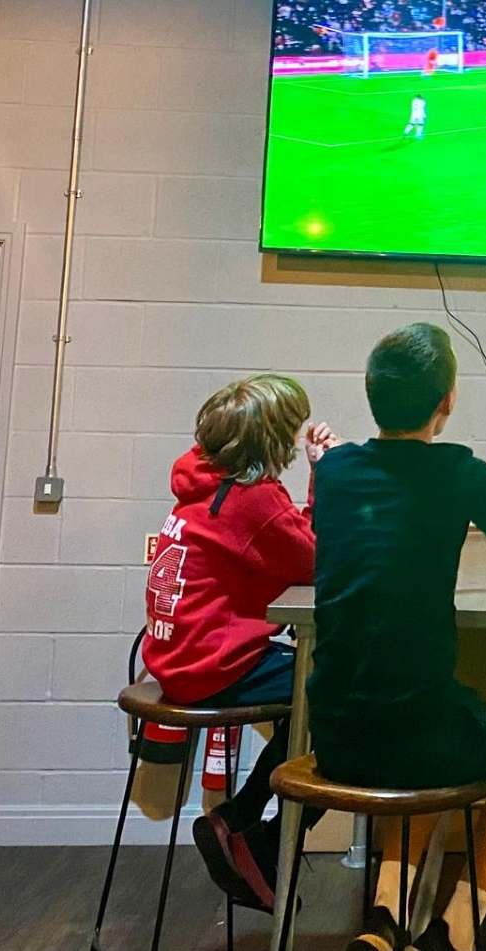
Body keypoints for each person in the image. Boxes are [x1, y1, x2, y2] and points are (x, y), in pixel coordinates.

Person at [308, 323, 486, 951]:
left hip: (334, 735)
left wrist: (322, 462)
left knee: (430, 730)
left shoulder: (333, 470)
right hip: (419, 734)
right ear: (447, 401)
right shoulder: (458, 469)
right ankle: (460, 928)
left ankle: (386, 919)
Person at [142, 374, 339, 913]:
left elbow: (288, 542)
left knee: (316, 701)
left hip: (175, 658)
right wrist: (326, 479)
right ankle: (250, 829)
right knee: (343, 704)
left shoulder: (205, 484)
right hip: (213, 665)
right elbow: (316, 560)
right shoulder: (251, 501)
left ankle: (245, 826)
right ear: (271, 441)